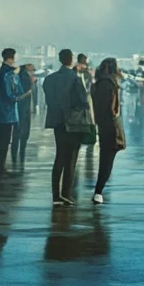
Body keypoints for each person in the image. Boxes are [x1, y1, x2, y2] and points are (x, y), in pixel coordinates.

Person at [44, 49, 91, 205]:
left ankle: (55, 195)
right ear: (70, 60)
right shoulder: (74, 79)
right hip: (73, 123)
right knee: (71, 159)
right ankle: (66, 193)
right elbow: (83, 100)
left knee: (59, 158)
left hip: (57, 121)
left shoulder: (49, 79)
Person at [90, 57, 126, 203]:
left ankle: (99, 190)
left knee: (106, 157)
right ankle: (98, 191)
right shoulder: (109, 83)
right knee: (107, 158)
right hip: (110, 125)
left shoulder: (99, 83)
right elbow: (111, 108)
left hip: (103, 124)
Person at [0, 49, 23, 176]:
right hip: (7, 111)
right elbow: (11, 92)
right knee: (4, 140)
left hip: (1, 109)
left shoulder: (1, 71)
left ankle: (0, 166)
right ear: (12, 57)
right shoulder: (8, 73)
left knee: (3, 139)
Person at [12, 63, 37, 165]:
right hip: (23, 108)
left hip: (22, 108)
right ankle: (19, 151)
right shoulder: (24, 77)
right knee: (22, 131)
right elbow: (26, 92)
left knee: (19, 131)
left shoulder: (20, 76)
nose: (33, 72)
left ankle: (16, 151)